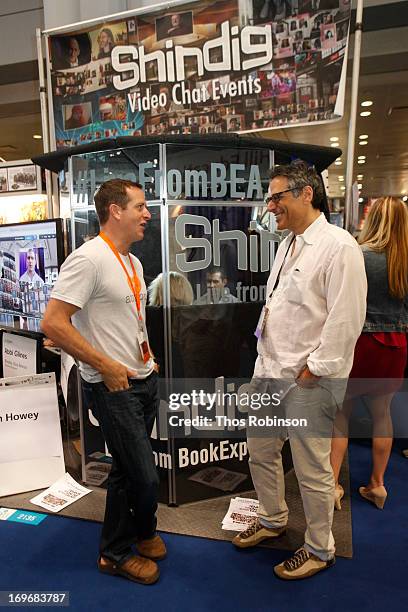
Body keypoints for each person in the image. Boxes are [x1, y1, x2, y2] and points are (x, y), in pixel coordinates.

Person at [232, 161, 367, 580]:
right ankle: (273, 519)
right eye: (269, 198)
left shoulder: (339, 246)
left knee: (312, 469)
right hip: (271, 370)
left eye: (277, 197)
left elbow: (346, 321)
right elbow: (277, 310)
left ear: (306, 193)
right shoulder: (290, 242)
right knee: (261, 450)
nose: (271, 206)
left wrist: (314, 371)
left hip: (309, 380)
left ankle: (319, 548)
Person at [41, 179, 165, 585]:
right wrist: (106, 365)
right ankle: (115, 553)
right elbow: (53, 324)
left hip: (142, 379)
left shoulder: (132, 262)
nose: (147, 214)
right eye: (140, 207)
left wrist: (145, 355)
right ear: (115, 210)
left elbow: (126, 320)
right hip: (113, 387)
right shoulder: (89, 259)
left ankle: (139, 536)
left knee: (127, 472)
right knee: (144, 475)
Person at [330, 197, 408, 510]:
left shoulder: (357, 255)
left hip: (358, 343)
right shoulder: (404, 259)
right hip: (396, 346)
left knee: (340, 415)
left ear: (371, 219)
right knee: (382, 415)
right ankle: (378, 484)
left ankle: (333, 485)